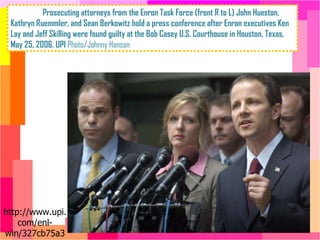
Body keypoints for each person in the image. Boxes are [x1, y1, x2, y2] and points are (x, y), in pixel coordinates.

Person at [215, 74, 310, 232]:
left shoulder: (309, 161)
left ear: (275, 111)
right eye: (236, 105)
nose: (242, 111)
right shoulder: (226, 177)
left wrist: (271, 207)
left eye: (252, 102)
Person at [68, 79, 157, 232]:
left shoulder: (145, 160)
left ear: (115, 113)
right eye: (84, 111)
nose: (91, 120)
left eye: (99, 112)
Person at [156, 91, 226, 232]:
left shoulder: (219, 174)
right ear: (166, 124)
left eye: (189, 120)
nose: (179, 126)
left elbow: (218, 232)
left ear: (203, 127)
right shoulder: (154, 173)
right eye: (173, 119)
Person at [209, 94, 246, 165]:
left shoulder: (255, 164)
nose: (218, 127)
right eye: (213, 121)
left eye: (226, 120)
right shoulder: (206, 168)